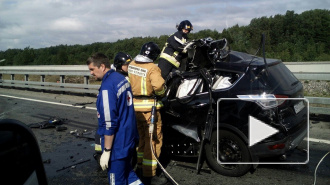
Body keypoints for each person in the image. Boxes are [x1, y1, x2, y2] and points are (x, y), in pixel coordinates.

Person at [87, 53, 142, 185]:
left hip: (118, 144)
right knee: (129, 174)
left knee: (116, 180)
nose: (91, 73)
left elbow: (109, 123)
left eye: (92, 69)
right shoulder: (120, 78)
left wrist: (106, 151)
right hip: (129, 138)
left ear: (102, 66)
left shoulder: (107, 88)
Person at [128, 42, 167, 185]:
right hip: (150, 109)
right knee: (153, 141)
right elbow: (159, 87)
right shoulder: (153, 68)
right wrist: (162, 94)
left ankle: (139, 165)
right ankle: (149, 174)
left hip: (134, 108)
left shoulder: (131, 64)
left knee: (142, 138)